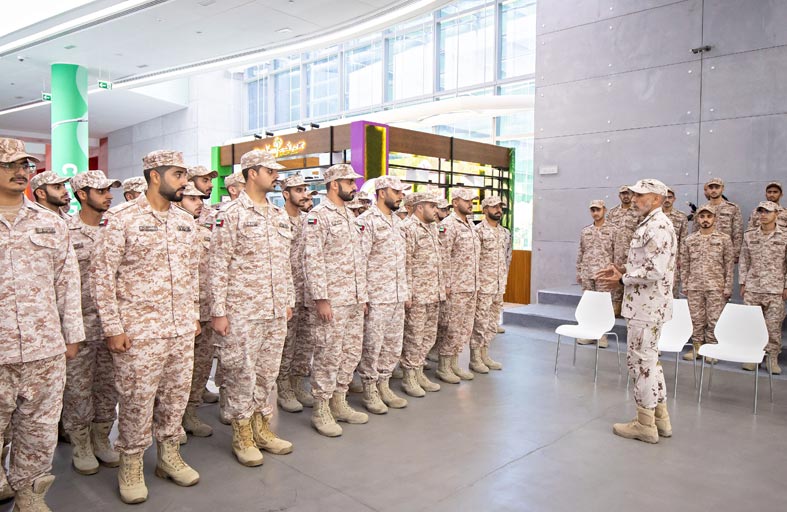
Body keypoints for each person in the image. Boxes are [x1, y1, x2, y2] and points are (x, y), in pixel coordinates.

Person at [90, 150, 201, 504]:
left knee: (176, 397)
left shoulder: (185, 221)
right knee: (137, 401)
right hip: (138, 332)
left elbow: (192, 273)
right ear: (155, 175)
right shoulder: (122, 218)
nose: (185, 182)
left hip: (180, 329)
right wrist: (113, 327)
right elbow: (102, 276)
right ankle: (131, 463)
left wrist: (194, 314)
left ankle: (168, 456)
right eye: (178, 175)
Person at [0, 138, 84, 509]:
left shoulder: (50, 223)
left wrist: (72, 334)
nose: (20, 172)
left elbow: (67, 281)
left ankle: (29, 495)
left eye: (25, 165)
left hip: (44, 349)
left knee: (39, 431)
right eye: (9, 165)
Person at [210, 150, 294, 465]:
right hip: (241, 312)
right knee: (241, 374)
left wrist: (288, 300)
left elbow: (284, 263)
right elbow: (218, 265)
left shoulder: (278, 214)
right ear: (252, 173)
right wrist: (218, 311)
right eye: (270, 171)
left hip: (274, 310)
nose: (276, 176)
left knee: (266, 373)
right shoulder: (230, 213)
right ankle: (242, 434)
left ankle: (262, 428)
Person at [596, 178, 676, 444]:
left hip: (646, 307)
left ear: (657, 199)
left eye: (641, 195)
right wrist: (623, 269)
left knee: (641, 364)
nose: (634, 198)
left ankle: (644, 424)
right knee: (651, 362)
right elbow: (647, 261)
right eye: (634, 194)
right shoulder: (651, 223)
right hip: (646, 305)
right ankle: (660, 419)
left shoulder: (657, 225)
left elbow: (655, 269)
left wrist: (622, 279)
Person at [61, 171, 122, 476]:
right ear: (82, 195)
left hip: (114, 325)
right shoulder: (64, 231)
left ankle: (101, 438)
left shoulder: (117, 227)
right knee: (78, 389)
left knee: (109, 387)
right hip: (80, 325)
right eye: (101, 191)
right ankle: (81, 444)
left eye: (109, 190)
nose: (109, 196)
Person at [303, 163, 368, 437]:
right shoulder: (319, 216)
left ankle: (339, 401)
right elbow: (312, 259)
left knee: (350, 353)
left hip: (353, 299)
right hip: (332, 300)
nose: (354, 187)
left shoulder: (350, 216)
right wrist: (321, 298)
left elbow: (358, 260)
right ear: (334, 184)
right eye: (349, 182)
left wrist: (362, 295)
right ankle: (321, 408)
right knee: (328, 354)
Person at [356, 176, 411, 411]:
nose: (401, 196)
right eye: (396, 192)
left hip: (396, 295)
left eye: (402, 192)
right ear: (381, 193)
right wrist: (362, 296)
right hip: (376, 297)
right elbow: (359, 261)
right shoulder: (366, 221)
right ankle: (369, 389)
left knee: (392, 344)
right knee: (373, 345)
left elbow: (403, 261)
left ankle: (384, 384)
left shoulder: (398, 222)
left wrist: (405, 291)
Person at [176, 182, 215, 441]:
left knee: (200, 367)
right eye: (192, 198)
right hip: (181, 313)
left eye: (200, 198)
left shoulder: (205, 231)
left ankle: (190, 413)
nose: (199, 202)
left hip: (206, 310)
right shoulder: (173, 231)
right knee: (178, 372)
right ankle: (170, 420)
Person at [277, 175, 317, 413]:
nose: (305, 195)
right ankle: (283, 386)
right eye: (299, 190)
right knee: (287, 342)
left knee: (305, 341)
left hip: (307, 291)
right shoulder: (277, 219)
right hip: (287, 292)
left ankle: (298, 382)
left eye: (305, 190)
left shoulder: (308, 221)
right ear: (286, 194)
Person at [399, 192, 446, 396]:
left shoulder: (432, 227)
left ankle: (419, 372)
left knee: (428, 336)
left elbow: (438, 260)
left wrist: (441, 288)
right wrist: (407, 293)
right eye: (432, 206)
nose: (436, 210)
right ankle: (409, 376)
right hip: (417, 294)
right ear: (420, 207)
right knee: (414, 337)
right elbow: (406, 263)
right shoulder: (408, 228)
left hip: (433, 292)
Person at [436, 188, 480, 382]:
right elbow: (443, 257)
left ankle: (454, 363)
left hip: (471, 285)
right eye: (466, 200)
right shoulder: (448, 225)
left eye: (472, 200)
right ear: (455, 202)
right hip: (456, 287)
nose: (471, 204)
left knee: (465, 328)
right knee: (452, 328)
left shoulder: (470, 224)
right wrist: (446, 285)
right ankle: (444, 366)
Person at [679, 205, 733, 361]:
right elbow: (685, 264)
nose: (705, 220)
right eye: (702, 216)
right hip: (694, 286)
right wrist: (685, 284)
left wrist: (728, 286)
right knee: (696, 319)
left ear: (715, 218)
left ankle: (712, 349)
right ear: (697, 218)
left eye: (709, 216)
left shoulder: (724, 239)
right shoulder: (690, 240)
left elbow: (729, 265)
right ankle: (697, 347)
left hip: (716, 286)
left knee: (714, 319)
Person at [739, 201, 787, 374]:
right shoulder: (750, 235)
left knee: (773, 326)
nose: (763, 215)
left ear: (776, 214)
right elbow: (744, 259)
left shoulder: (784, 236)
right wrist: (743, 283)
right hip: (753, 287)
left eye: (768, 212)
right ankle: (753, 356)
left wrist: (786, 286)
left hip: (775, 288)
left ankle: (771, 358)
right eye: (761, 212)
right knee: (752, 324)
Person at [469, 196, 511, 373]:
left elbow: (507, 257)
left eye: (500, 207)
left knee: (493, 322)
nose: (498, 210)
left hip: (498, 285)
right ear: (485, 209)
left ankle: (485, 354)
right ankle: (475, 358)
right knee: (480, 322)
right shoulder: (478, 231)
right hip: (483, 286)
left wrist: (504, 279)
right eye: (494, 207)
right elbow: (472, 260)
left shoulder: (505, 232)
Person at [575, 199, 614, 348]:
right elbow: (581, 252)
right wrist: (579, 271)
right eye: (593, 210)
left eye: (598, 209)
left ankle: (602, 335)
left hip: (604, 274)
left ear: (604, 210)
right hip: (587, 272)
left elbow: (618, 253)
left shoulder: (613, 230)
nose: (595, 213)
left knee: (603, 305)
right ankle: (589, 334)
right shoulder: (585, 231)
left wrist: (615, 273)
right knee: (588, 305)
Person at [607, 185, 641, 316]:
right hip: (616, 253)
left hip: (633, 253)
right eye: (623, 193)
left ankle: (631, 307)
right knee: (616, 279)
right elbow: (608, 232)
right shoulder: (612, 213)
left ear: (632, 195)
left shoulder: (638, 211)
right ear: (619, 196)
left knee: (631, 279)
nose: (625, 196)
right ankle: (616, 305)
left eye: (628, 193)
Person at [693, 178, 743, 263]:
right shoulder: (701, 209)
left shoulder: (732, 208)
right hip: (705, 250)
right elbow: (695, 231)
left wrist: (736, 253)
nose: (714, 190)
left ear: (722, 188)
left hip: (725, 251)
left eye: (717, 187)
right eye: (711, 188)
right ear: (707, 189)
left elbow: (737, 232)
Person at [663, 188, 689, 297]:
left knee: (672, 290)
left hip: (673, 259)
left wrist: (681, 259)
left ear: (674, 199)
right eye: (665, 197)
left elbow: (684, 239)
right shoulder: (653, 216)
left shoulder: (681, 217)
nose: (667, 200)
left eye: (670, 197)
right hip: (655, 259)